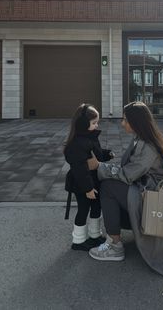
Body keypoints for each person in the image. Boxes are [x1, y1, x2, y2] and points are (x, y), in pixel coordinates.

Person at [88, 101, 163, 280]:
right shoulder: (141, 139)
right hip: (144, 189)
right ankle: (118, 233)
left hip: (148, 196)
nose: (122, 123)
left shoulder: (147, 146)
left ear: (135, 122)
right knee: (111, 185)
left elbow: (127, 174)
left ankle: (115, 246)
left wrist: (98, 166)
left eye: (125, 120)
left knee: (108, 187)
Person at [64, 103, 114, 251]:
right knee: (83, 209)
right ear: (83, 124)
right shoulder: (77, 144)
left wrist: (107, 154)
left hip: (94, 179)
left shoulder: (90, 138)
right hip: (82, 184)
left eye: (97, 122)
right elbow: (80, 169)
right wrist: (88, 188)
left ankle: (94, 235)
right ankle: (78, 241)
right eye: (94, 123)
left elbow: (96, 155)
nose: (96, 125)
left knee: (96, 207)